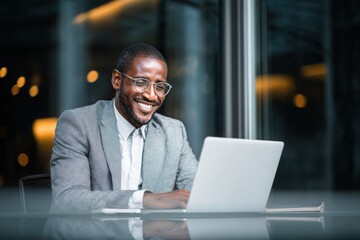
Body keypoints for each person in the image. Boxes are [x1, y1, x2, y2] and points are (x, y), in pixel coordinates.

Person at [50, 43, 198, 212]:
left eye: (160, 86)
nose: (151, 95)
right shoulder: (78, 124)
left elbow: (198, 193)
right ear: (117, 80)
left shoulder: (174, 132)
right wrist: (143, 199)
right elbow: (68, 199)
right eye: (141, 82)